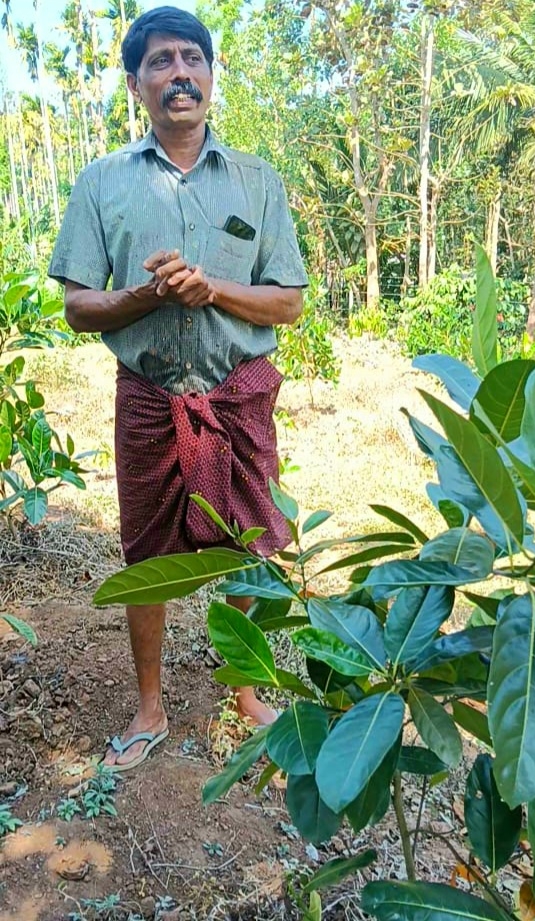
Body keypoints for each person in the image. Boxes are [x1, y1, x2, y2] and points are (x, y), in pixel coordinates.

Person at [48, 5, 307, 772]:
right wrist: (145, 298)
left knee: (250, 537)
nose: (180, 74)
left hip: (237, 393)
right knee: (145, 552)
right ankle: (150, 703)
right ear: (137, 84)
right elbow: (75, 305)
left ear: (211, 75)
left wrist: (214, 290)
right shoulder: (102, 182)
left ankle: (246, 690)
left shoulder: (259, 182)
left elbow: (288, 301)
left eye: (192, 58)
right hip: (149, 397)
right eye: (161, 61)